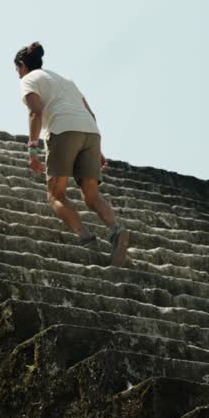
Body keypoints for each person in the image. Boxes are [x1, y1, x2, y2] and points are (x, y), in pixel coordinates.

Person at [14, 42, 130, 265]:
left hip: (63, 130)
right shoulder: (65, 80)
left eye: (17, 70)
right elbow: (90, 112)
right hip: (91, 133)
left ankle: (86, 238)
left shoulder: (28, 80)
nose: (18, 74)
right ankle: (116, 230)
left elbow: (35, 112)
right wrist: (98, 150)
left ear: (22, 65)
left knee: (55, 194)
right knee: (91, 194)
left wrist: (32, 149)